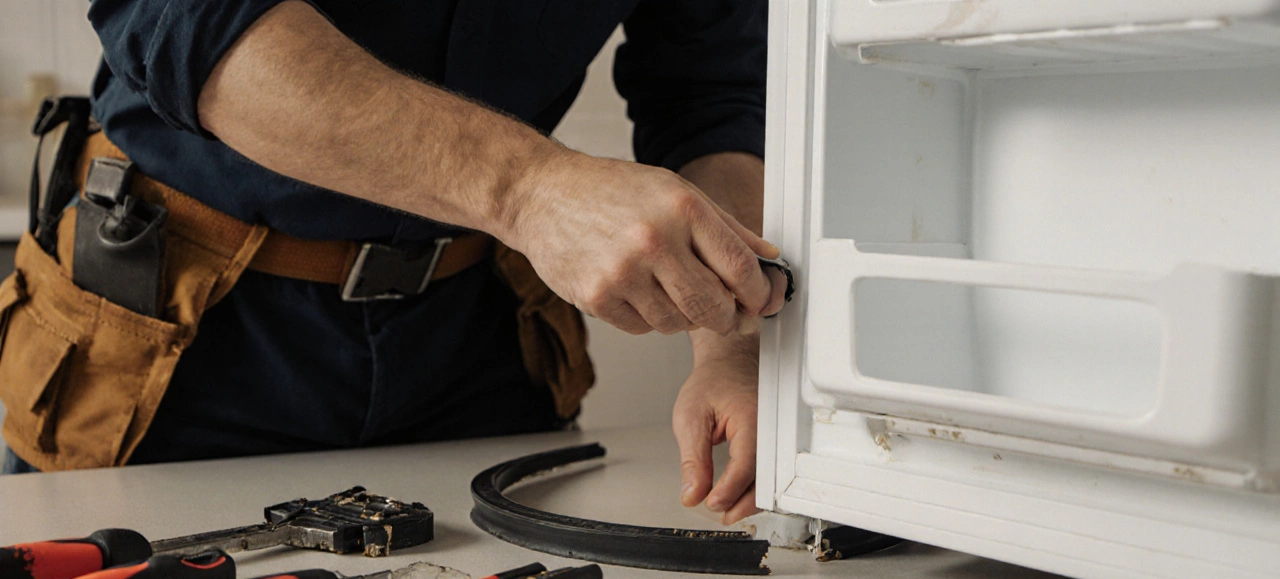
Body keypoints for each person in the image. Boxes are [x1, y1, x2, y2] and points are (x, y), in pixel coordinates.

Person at [0, 0, 784, 525]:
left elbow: (712, 94)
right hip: (176, 332)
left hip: (477, 340)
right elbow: (193, 21)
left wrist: (734, 343)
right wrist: (531, 191)